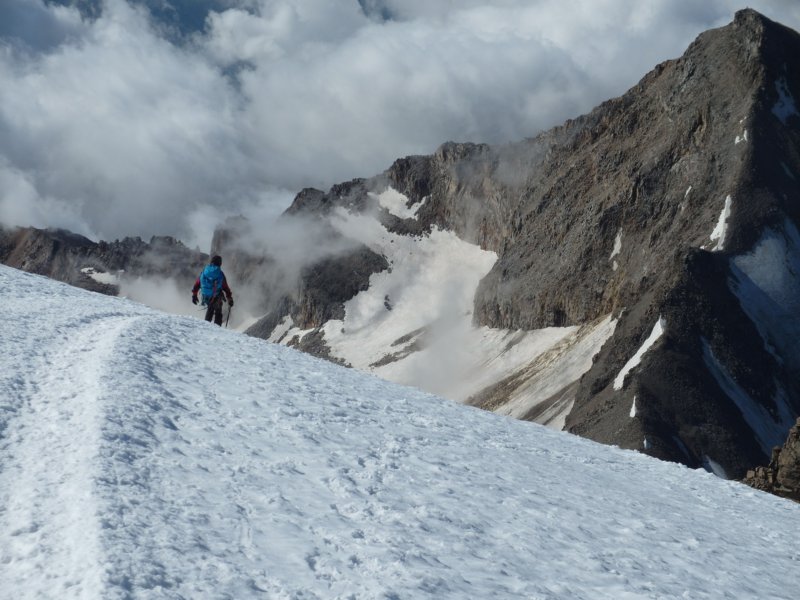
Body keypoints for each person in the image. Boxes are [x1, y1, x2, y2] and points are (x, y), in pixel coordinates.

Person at [192, 255, 234, 326]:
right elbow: (226, 288)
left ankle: (206, 325)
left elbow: (197, 283)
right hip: (216, 296)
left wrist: (194, 295)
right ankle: (217, 328)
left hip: (206, 295)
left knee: (210, 309)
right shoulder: (220, 273)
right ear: (220, 263)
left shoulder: (205, 271)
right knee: (218, 312)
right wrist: (229, 299)